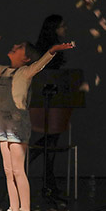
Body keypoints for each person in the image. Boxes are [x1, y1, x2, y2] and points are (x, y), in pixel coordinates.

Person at [0, 28, 74, 211]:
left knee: (18, 170)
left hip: (17, 125)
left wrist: (53, 49)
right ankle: (13, 209)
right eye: (15, 46)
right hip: (3, 125)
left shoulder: (26, 72)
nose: (14, 47)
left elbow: (40, 64)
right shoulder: (4, 71)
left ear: (25, 59)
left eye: (19, 48)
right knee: (8, 170)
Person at [31, 14, 69, 196]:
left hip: (55, 99)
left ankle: (48, 179)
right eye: (62, 26)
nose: (65, 29)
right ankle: (46, 177)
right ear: (53, 28)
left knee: (53, 139)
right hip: (47, 99)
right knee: (52, 139)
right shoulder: (48, 50)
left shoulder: (53, 49)